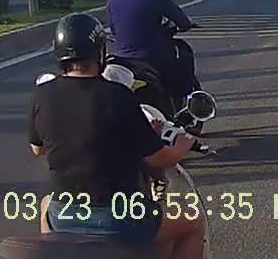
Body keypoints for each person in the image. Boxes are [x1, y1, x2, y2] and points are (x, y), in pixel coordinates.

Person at [30, 13, 205, 259]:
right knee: (193, 224)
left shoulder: (42, 94)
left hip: (63, 216)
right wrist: (183, 145)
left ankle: (56, 252)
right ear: (100, 52)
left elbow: (38, 148)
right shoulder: (117, 95)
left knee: (46, 203)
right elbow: (159, 158)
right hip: (119, 219)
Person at [106, 0, 196, 102]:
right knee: (183, 57)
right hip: (152, 57)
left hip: (122, 58)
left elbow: (113, 28)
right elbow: (181, 20)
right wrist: (186, 24)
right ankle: (184, 101)